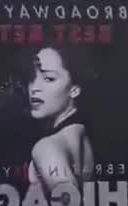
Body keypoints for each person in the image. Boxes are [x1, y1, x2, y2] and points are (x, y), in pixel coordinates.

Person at [26, 45, 95, 195]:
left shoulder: (46, 147)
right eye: (32, 78)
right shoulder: (82, 136)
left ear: (74, 89)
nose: (34, 88)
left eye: (49, 78)